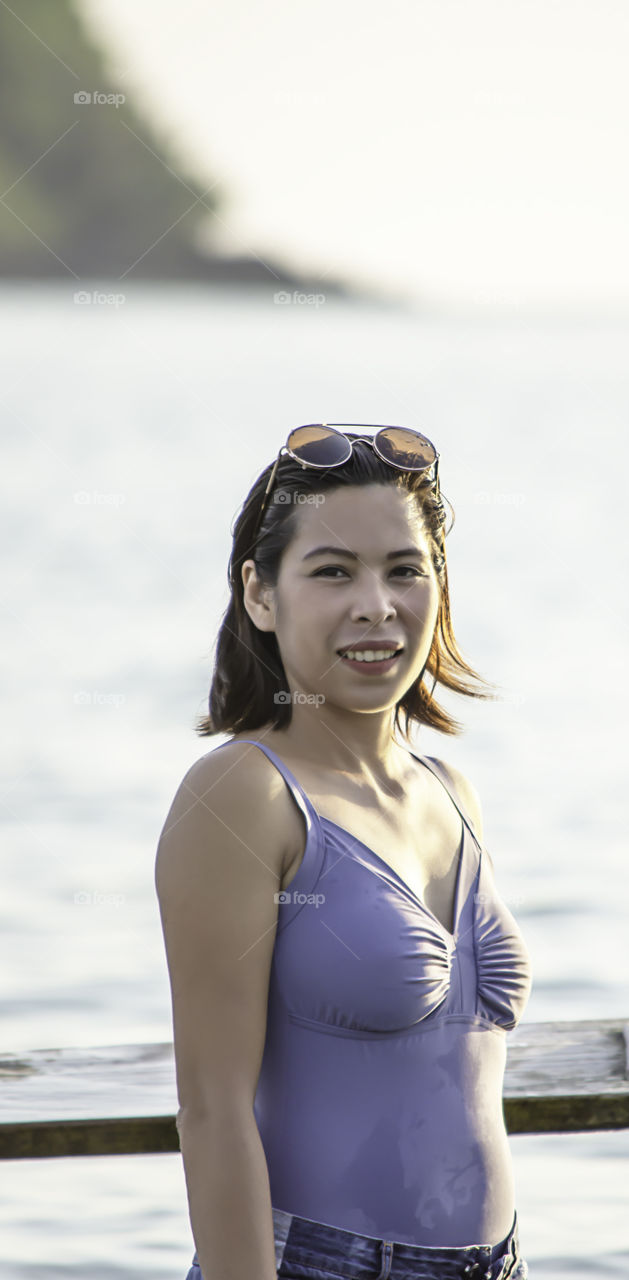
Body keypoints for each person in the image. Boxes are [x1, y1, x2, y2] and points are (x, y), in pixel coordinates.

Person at [155, 425, 533, 1280]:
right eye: (333, 571)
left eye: (404, 569)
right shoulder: (242, 797)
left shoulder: (451, 792)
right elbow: (211, 1112)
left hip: (494, 1261)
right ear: (259, 593)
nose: (376, 605)